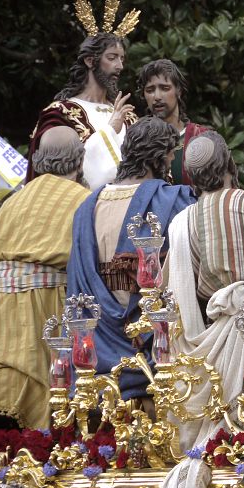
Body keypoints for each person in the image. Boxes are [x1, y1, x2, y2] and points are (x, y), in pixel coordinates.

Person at [159, 131, 244, 488]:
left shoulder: (184, 222)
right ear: (231, 165)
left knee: (224, 423)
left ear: (192, 180)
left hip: (216, 335)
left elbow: (188, 292)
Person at [67, 117, 194, 402]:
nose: (173, 160)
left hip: (97, 351)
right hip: (154, 350)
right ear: (158, 158)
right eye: (171, 154)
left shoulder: (86, 208)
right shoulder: (175, 201)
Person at [0, 127, 90, 429]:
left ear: (39, 159)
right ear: (80, 161)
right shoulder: (84, 200)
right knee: (51, 402)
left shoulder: (12, 203)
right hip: (46, 312)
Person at [28, 0, 140, 190]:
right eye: (112, 57)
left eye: (122, 59)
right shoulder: (60, 113)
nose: (120, 66)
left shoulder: (129, 116)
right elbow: (57, 174)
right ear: (90, 61)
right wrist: (110, 130)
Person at [138, 59, 208, 187]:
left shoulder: (201, 137)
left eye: (165, 88)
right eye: (150, 90)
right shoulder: (137, 141)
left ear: (179, 91)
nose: (157, 96)